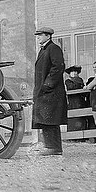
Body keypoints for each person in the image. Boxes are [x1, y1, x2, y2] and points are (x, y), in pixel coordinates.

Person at [31, 27, 67, 156]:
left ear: (48, 36)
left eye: (40, 35)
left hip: (51, 92)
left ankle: (54, 147)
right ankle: (50, 146)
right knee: (45, 120)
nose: (38, 37)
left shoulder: (53, 48)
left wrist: (47, 85)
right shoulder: (43, 50)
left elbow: (58, 67)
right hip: (44, 92)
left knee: (50, 120)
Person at [64, 65, 89, 132]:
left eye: (76, 71)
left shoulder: (80, 80)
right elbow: (72, 87)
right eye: (72, 71)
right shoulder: (68, 81)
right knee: (73, 118)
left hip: (80, 102)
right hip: (72, 102)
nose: (75, 73)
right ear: (69, 73)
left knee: (81, 118)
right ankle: (73, 135)